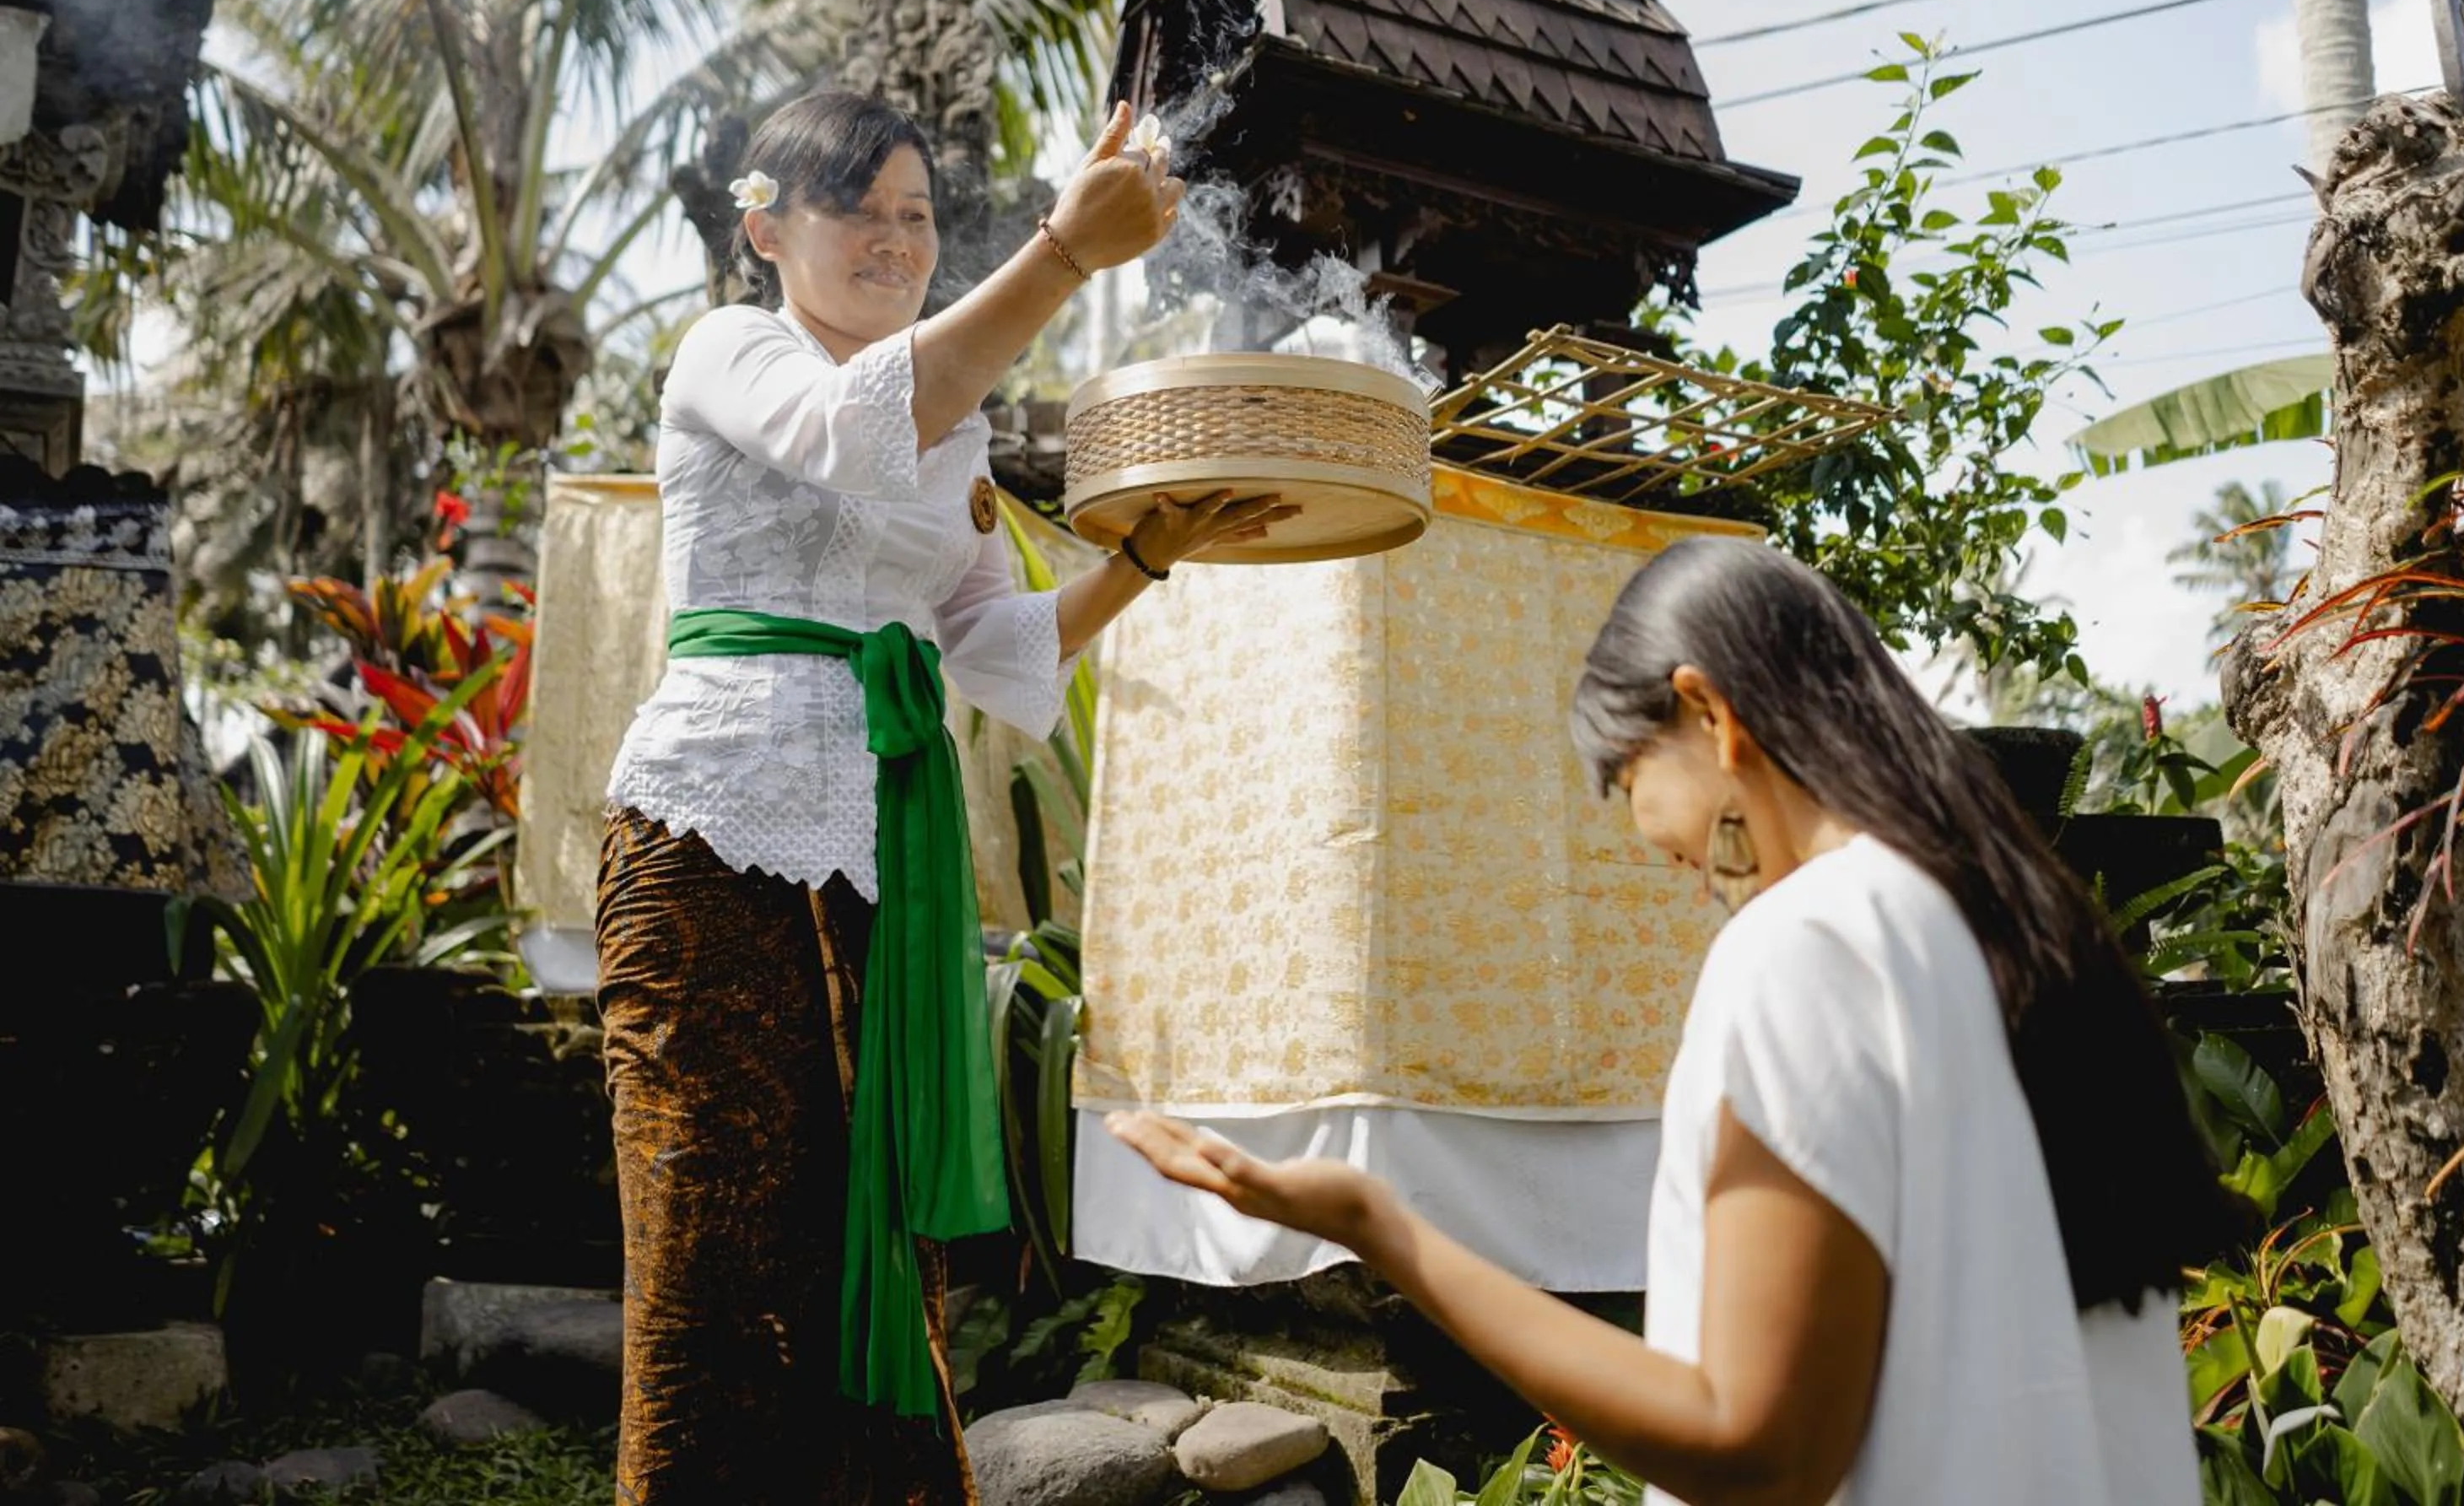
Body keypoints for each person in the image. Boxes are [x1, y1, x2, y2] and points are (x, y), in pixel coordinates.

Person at [1111, 536, 2239, 1506]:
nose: (1662, 852)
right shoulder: (2027, 935)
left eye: (1626, 774)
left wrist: (1383, 1228)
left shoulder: (1811, 941)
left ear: (1707, 711)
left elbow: (1759, 1452)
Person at [598, 90, 1288, 1505]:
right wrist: (1063, 253)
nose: (896, 240)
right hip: (711, 834)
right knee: (713, 1247)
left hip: (884, 856)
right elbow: (850, 432)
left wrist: (1146, 555)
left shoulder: (953, 425)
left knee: (875, 1221)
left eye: (916, 214)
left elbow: (992, 642)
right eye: (857, 209)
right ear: (764, 230)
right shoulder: (733, 349)